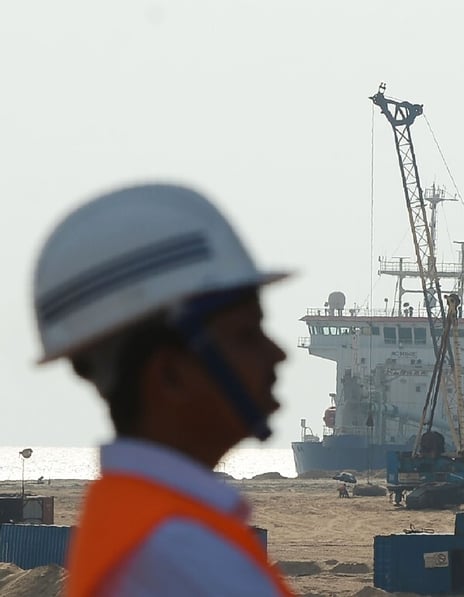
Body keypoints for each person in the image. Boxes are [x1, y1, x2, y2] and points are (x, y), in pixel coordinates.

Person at [33, 184, 294, 596]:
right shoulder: (182, 553)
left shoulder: (145, 520)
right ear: (171, 374)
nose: (279, 354)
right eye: (247, 335)